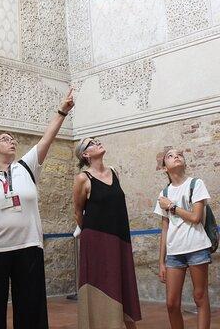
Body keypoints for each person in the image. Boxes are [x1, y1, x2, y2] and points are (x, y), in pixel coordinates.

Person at [0, 89, 74, 329]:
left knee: (31, 310)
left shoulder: (26, 167)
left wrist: (62, 111)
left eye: (13, 139)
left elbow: (47, 139)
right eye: (6, 139)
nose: (12, 142)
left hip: (28, 247)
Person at [73, 138, 141, 329]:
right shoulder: (82, 179)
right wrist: (92, 237)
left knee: (123, 281)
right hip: (95, 241)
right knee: (100, 283)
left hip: (120, 238)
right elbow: (78, 212)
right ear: (85, 154)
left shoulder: (115, 172)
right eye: (91, 143)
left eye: (97, 141)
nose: (97, 143)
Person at [154, 148, 211, 329]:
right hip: (174, 252)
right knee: (171, 304)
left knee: (200, 297)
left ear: (184, 162)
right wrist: (161, 261)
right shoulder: (164, 193)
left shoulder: (196, 184)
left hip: (196, 247)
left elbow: (195, 217)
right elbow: (165, 227)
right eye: (170, 156)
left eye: (179, 154)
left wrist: (171, 206)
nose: (176, 156)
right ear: (165, 168)